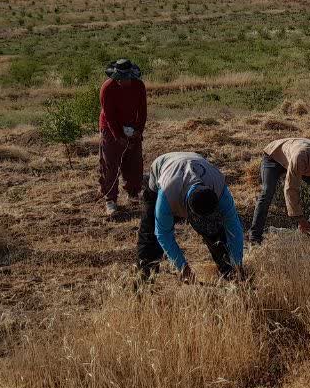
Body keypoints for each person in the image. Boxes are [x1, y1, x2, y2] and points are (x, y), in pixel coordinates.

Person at [138, 152, 244, 282]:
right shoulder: (167, 195)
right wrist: (182, 267)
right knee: (149, 236)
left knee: (217, 234)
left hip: (195, 163)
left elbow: (234, 227)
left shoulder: (219, 188)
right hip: (163, 168)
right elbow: (163, 233)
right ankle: (144, 281)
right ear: (189, 213)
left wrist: (237, 263)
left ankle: (231, 276)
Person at [249, 138, 310, 244]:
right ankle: (255, 237)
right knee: (267, 192)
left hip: (299, 162)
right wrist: (301, 220)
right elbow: (291, 189)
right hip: (274, 157)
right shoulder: (301, 157)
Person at [99, 59, 147, 216]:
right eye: (120, 78)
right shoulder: (107, 88)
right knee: (111, 164)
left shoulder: (139, 86)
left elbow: (143, 110)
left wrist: (139, 130)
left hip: (132, 126)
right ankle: (110, 200)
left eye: (126, 78)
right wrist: (117, 136)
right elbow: (109, 116)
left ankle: (133, 193)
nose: (123, 81)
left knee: (134, 162)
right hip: (110, 128)